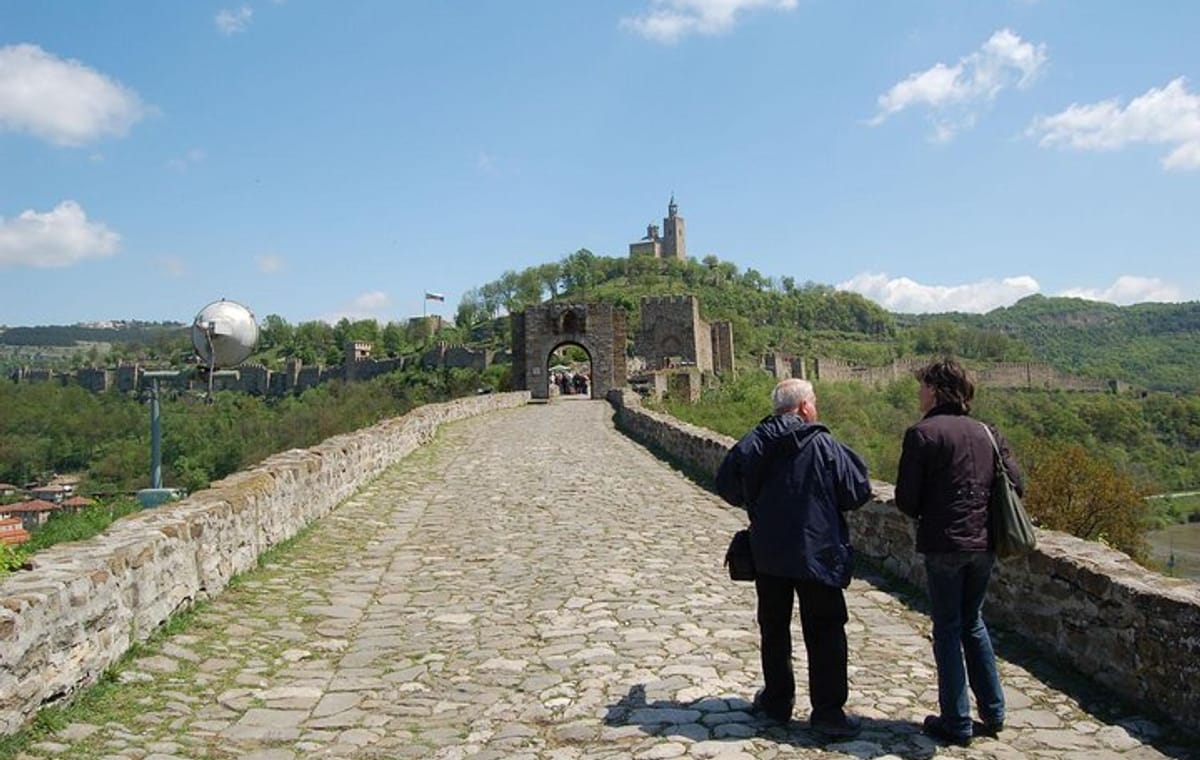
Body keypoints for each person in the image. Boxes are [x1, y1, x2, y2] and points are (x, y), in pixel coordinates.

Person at [715, 378, 873, 738]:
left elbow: (726, 483)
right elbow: (857, 490)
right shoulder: (824, 444)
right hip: (818, 552)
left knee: (774, 628)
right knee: (826, 631)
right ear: (803, 407)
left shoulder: (754, 442)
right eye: (813, 402)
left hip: (768, 552)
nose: (815, 408)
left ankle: (776, 701)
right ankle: (828, 712)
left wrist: (757, 505)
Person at [895, 358, 1022, 747]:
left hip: (944, 544)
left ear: (935, 389)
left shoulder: (922, 434)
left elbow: (905, 499)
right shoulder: (988, 432)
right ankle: (994, 711)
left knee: (948, 629)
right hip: (984, 544)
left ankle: (957, 721)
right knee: (973, 623)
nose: (918, 393)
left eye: (922, 386)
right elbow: (1017, 484)